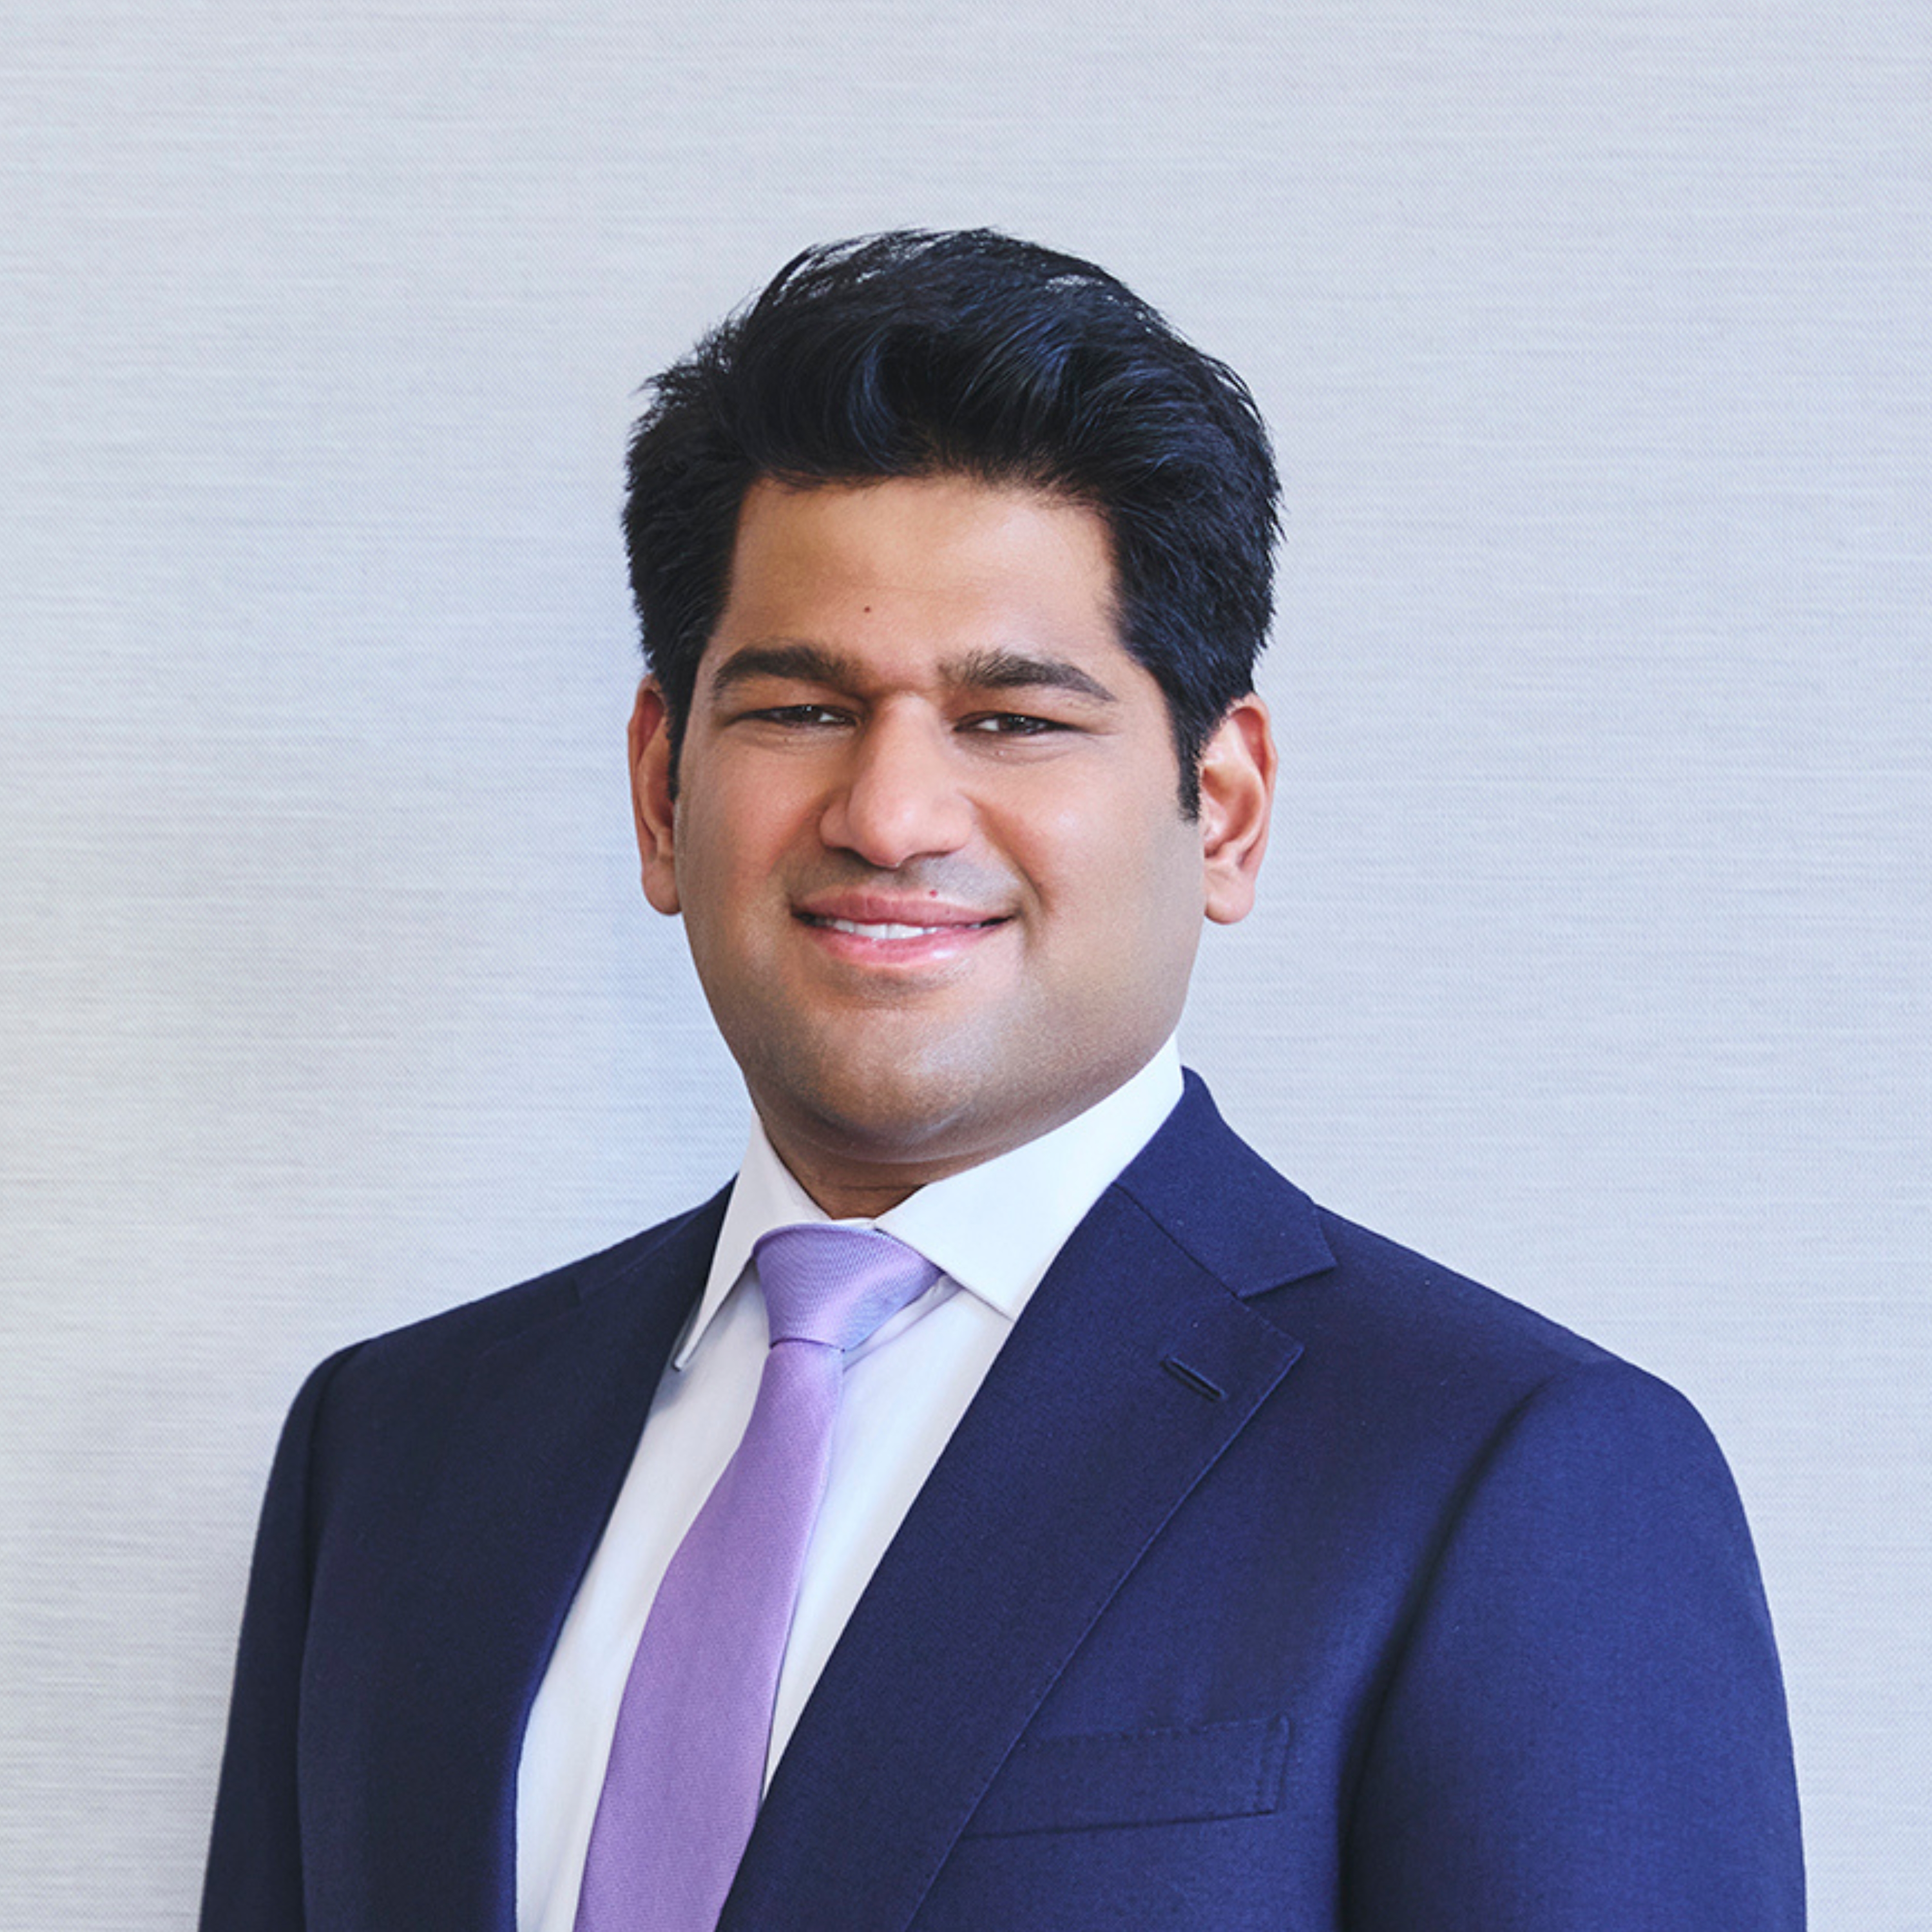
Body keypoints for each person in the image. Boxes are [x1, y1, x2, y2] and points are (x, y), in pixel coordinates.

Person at [200, 230, 1805, 1931]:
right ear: (663, 790)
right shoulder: (393, 1452)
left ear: (1225, 809)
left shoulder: (1510, 1475)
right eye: (802, 709)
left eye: (1015, 720)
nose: (890, 816)